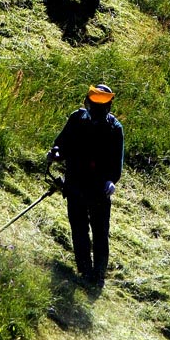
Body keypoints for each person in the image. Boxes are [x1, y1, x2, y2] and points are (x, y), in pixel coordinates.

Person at [48, 84, 124, 288]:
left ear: (108, 107)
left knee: (100, 232)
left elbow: (116, 163)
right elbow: (61, 145)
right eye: (94, 106)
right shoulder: (76, 119)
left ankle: (98, 276)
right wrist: (55, 154)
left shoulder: (114, 129)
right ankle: (84, 271)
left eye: (102, 107)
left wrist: (111, 181)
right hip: (75, 184)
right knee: (79, 229)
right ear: (87, 103)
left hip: (99, 190)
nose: (97, 110)